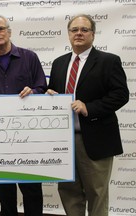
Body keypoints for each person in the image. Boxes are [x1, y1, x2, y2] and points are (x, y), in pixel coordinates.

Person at [47, 14, 129, 216]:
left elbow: (120, 95)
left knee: (97, 194)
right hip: (64, 142)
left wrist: (89, 108)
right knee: (68, 192)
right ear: (68, 34)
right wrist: (49, 97)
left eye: (84, 29)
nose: (79, 33)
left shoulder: (109, 61)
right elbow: (53, 92)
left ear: (93, 34)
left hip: (96, 139)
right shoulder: (59, 63)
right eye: (74, 30)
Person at [0, 15, 47, 216]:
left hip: (29, 138)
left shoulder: (29, 58)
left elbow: (42, 87)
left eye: (0, 29)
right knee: (4, 192)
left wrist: (33, 92)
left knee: (32, 190)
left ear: (9, 31)